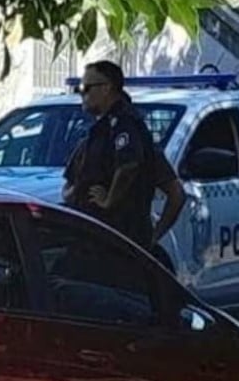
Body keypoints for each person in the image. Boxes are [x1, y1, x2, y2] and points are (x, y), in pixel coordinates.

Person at [62, 61, 185, 271]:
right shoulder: (96, 135)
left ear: (107, 88)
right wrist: (74, 194)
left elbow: (131, 166)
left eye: (86, 88)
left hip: (117, 248)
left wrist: (109, 201)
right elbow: (70, 186)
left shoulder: (127, 128)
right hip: (87, 242)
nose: (81, 94)